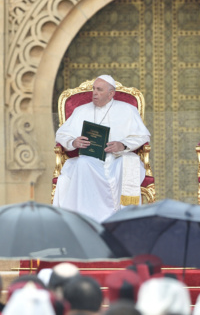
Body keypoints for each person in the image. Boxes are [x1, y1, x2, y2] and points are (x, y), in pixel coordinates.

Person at [53, 75, 151, 222]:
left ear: (111, 93)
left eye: (99, 90)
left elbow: (143, 136)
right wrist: (74, 142)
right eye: (93, 89)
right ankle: (84, 220)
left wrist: (122, 145)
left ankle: (120, 220)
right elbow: (62, 134)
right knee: (81, 164)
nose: (94, 93)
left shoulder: (127, 110)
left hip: (117, 158)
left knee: (125, 166)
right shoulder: (81, 111)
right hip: (89, 159)